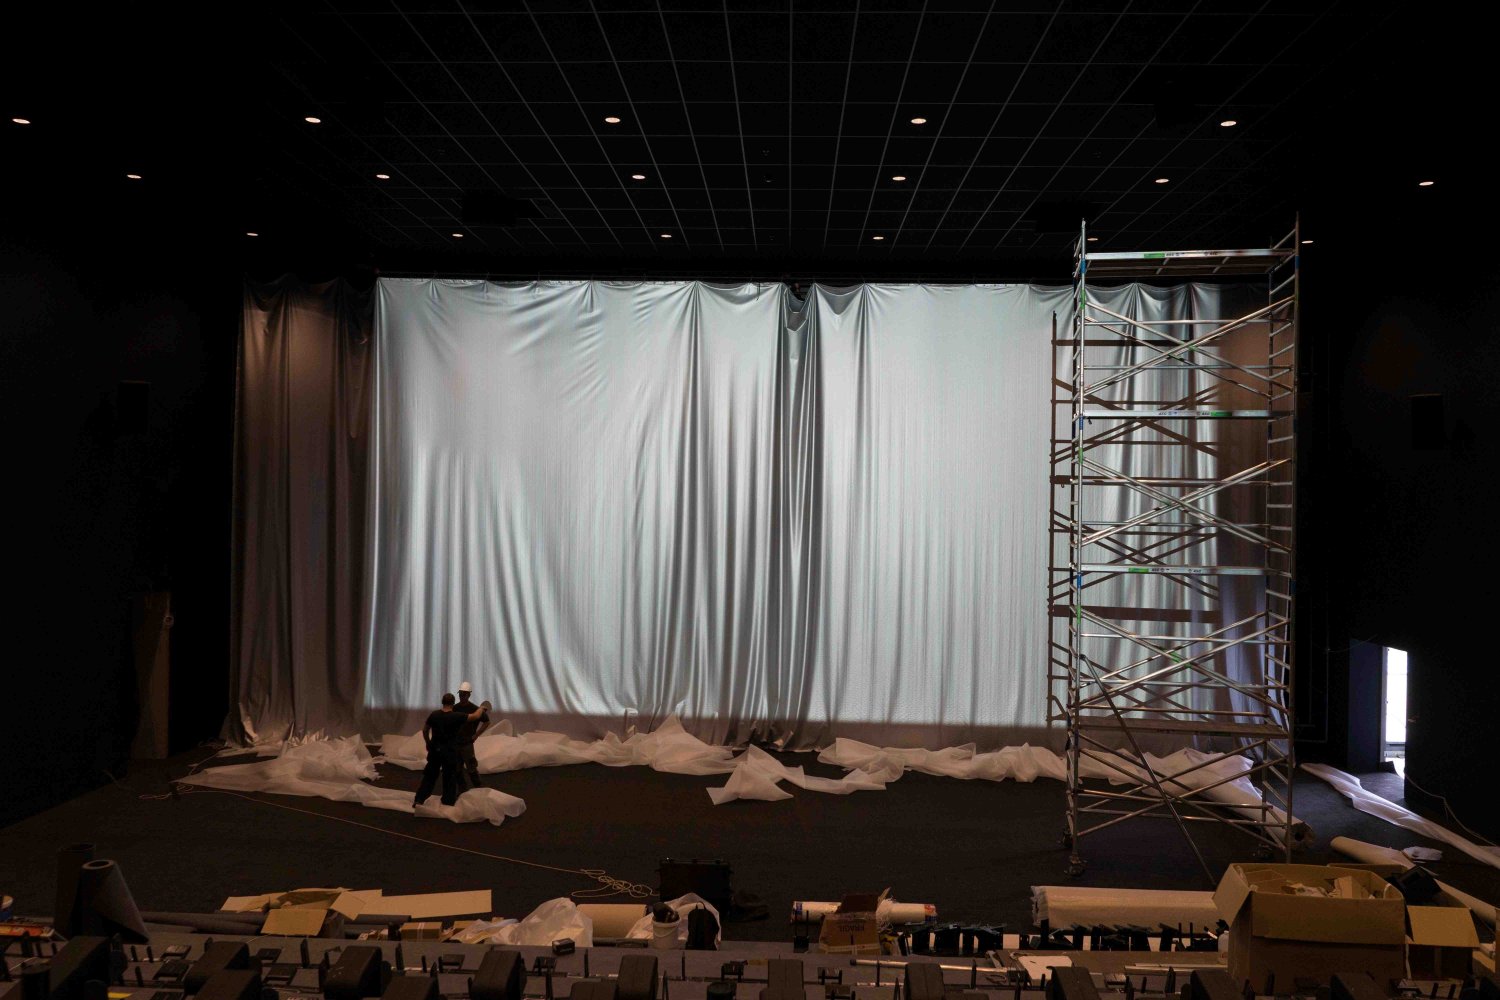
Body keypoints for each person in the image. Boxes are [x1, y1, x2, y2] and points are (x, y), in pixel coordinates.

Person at [414, 693, 489, 808]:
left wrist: (428, 743)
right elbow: (475, 716)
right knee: (449, 777)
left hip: (435, 750)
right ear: (453, 703)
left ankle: (419, 799)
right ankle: (448, 801)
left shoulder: (434, 714)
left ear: (442, 702)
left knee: (429, 776)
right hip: (449, 752)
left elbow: (425, 730)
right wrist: (481, 708)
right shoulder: (456, 716)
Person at [453, 681, 491, 790]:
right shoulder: (455, 708)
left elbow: (487, 722)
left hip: (467, 743)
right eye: (460, 694)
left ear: (469, 695)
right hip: (455, 743)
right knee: (456, 769)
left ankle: (478, 789)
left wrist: (476, 734)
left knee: (471, 768)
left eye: (464, 694)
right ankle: (463, 789)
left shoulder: (475, 709)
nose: (461, 696)